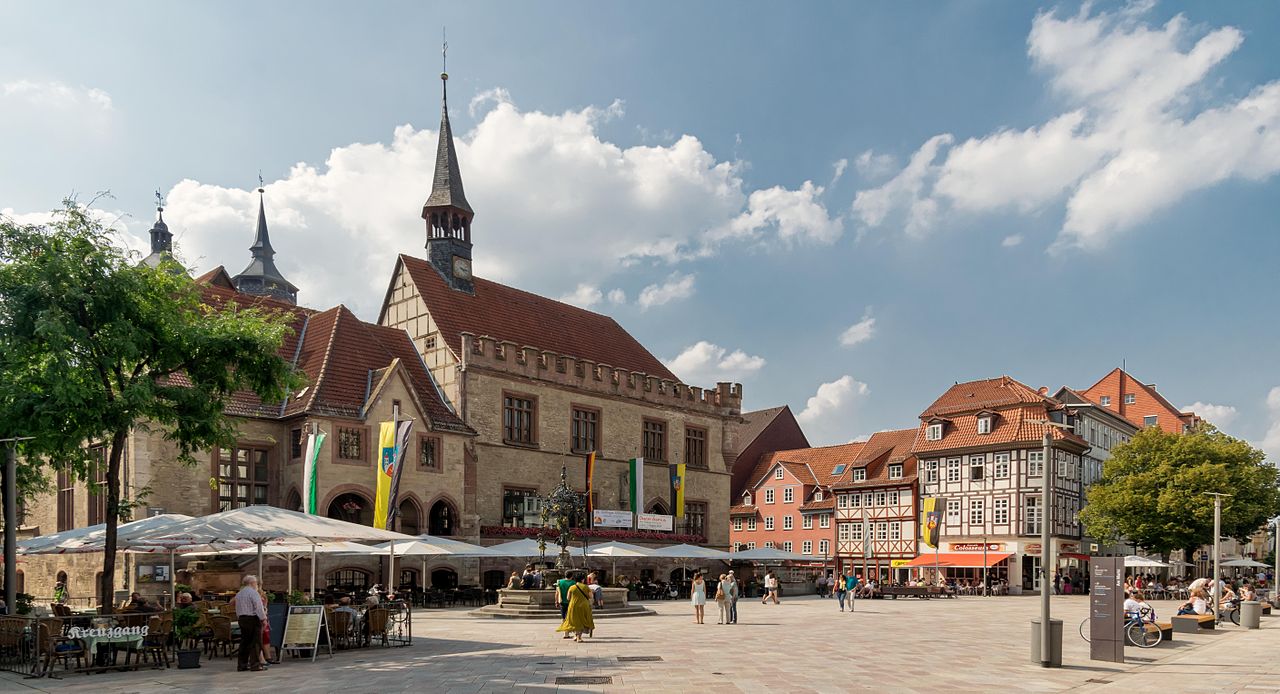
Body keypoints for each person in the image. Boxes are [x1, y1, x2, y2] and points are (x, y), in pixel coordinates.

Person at [234, 575, 267, 672]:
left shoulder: (239, 594)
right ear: (252, 583)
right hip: (252, 618)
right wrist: (263, 619)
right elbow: (258, 607)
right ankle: (255, 664)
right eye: (256, 583)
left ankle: (242, 665)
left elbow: (237, 608)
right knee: (255, 642)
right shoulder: (253, 593)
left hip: (242, 618)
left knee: (244, 642)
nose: (257, 585)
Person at [556, 572, 595, 643]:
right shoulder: (586, 587)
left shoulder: (572, 587)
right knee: (582, 620)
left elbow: (568, 598)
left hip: (573, 606)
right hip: (584, 606)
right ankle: (578, 637)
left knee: (575, 621)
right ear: (582, 580)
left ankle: (576, 636)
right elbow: (591, 596)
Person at [258, 588, 277, 667]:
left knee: (266, 637)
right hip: (260, 619)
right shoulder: (254, 595)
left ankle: (267, 657)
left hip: (264, 618)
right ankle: (261, 658)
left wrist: (265, 606)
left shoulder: (262, 595)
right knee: (259, 638)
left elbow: (265, 607)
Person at [554, 572, 576, 638]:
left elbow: (557, 593)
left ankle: (566, 633)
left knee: (564, 618)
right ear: (571, 576)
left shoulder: (559, 582)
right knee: (571, 617)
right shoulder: (573, 583)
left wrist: (556, 601)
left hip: (562, 601)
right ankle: (575, 633)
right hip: (571, 602)